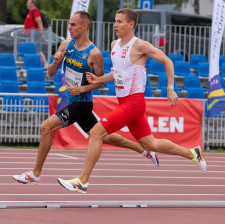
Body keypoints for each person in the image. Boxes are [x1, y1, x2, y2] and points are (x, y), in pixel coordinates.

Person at [57, 8, 207, 194]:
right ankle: (193, 153)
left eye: (120, 21)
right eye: (115, 21)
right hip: (124, 102)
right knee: (150, 144)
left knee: (96, 132)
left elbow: (167, 61)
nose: (115, 25)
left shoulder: (139, 45)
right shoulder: (114, 45)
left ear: (131, 24)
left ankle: (82, 181)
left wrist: (170, 88)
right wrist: (99, 79)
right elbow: (118, 74)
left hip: (134, 103)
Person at [13, 11, 159, 185]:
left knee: (46, 127)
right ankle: (143, 150)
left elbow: (99, 82)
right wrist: (56, 61)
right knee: (103, 136)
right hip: (72, 101)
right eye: (69, 24)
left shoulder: (94, 53)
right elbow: (51, 73)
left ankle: (35, 173)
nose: (69, 28)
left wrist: (82, 88)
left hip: (82, 104)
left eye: (73, 25)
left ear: (84, 26)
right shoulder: (66, 45)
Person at [24, 0, 47, 67]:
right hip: (30, 35)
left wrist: (41, 34)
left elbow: (40, 23)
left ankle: (45, 64)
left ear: (32, 4)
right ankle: (38, 64)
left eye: (28, 3)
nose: (26, 4)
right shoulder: (31, 12)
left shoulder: (35, 12)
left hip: (35, 35)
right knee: (33, 50)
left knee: (37, 50)